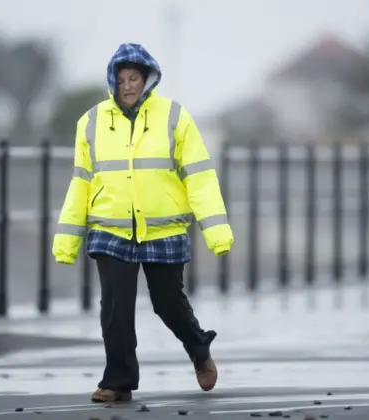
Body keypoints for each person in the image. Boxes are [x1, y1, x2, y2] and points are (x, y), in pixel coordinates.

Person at [52, 42, 234, 403]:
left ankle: (199, 349)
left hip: (163, 228)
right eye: (121, 80)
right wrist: (66, 239)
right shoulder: (91, 122)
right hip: (110, 227)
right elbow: (81, 182)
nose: (128, 86)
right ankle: (118, 381)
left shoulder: (175, 117)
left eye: (133, 78)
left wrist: (216, 231)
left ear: (147, 79)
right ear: (112, 82)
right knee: (115, 307)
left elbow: (199, 176)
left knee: (168, 303)